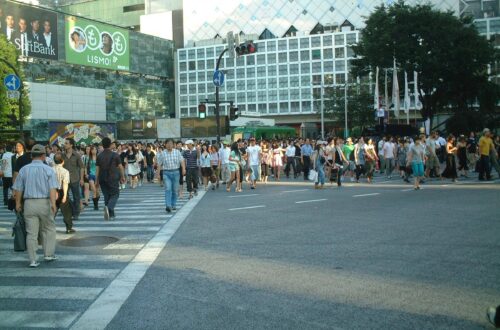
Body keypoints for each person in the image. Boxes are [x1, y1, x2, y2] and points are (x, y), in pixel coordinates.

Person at [12, 144, 59, 268]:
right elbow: (52, 188)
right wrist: (53, 204)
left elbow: (18, 189)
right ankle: (48, 254)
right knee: (48, 228)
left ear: (32, 156)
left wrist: (17, 203)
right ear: (44, 156)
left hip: (29, 204)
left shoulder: (24, 169)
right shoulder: (48, 170)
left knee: (31, 233)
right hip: (44, 202)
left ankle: (33, 260)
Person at [95, 138, 126, 220]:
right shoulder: (115, 155)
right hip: (113, 177)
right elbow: (120, 167)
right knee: (115, 194)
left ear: (103, 144)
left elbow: (97, 169)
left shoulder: (99, 156)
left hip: (102, 178)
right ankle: (109, 208)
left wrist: (96, 181)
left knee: (106, 195)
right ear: (110, 145)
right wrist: (122, 177)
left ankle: (110, 214)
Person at [157, 139, 186, 213]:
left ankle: (173, 204)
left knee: (174, 190)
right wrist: (158, 174)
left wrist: (183, 169)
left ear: (173, 145)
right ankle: (168, 205)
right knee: (168, 189)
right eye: (168, 143)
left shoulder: (177, 152)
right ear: (165, 145)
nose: (169, 145)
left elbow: (182, 161)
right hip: (166, 173)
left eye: (171, 143)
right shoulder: (162, 153)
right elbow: (159, 164)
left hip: (176, 172)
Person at [62, 138, 84, 221]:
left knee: (76, 197)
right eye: (65, 143)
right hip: (65, 180)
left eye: (66, 143)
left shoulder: (77, 155)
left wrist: (81, 178)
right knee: (65, 196)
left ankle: (76, 213)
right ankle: (70, 210)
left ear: (71, 145)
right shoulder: (62, 155)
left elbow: (82, 167)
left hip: (75, 178)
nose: (65, 144)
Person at [53, 153, 74, 234]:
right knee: (66, 211)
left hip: (52, 192)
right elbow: (65, 183)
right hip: (61, 192)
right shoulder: (65, 171)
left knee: (52, 211)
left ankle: (47, 227)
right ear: (63, 161)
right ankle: (69, 228)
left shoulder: (50, 170)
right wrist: (65, 195)